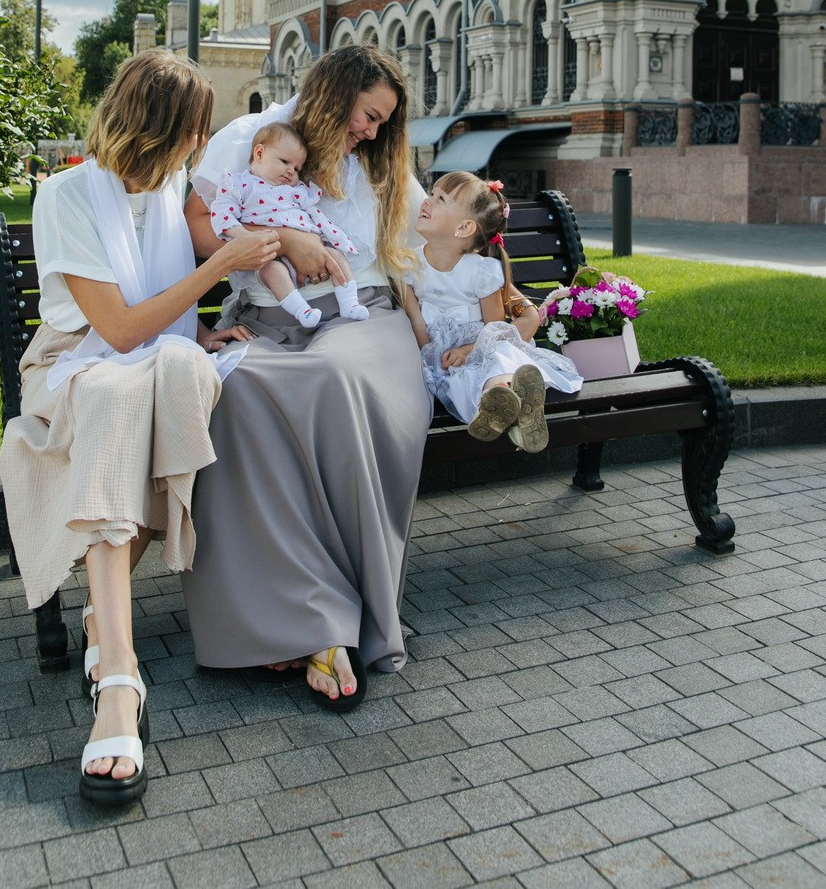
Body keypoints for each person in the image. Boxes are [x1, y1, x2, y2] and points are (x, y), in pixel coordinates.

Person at [0, 50, 279, 807]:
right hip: (74, 367)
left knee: (190, 376)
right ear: (158, 127)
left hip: (151, 360)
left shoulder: (172, 189)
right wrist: (217, 265)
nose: (199, 145)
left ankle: (105, 622)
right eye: (193, 131)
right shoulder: (65, 195)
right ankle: (118, 679)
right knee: (120, 398)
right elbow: (119, 331)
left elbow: (164, 321)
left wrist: (201, 331)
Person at [182, 45, 432, 711]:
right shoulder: (252, 139)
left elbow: (429, 246)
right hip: (266, 317)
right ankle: (289, 618)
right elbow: (200, 234)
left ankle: (332, 620)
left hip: (363, 320)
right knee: (235, 391)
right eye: (368, 114)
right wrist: (279, 241)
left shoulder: (381, 164)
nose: (374, 132)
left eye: (384, 122)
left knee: (329, 376)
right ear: (334, 92)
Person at [402, 171, 582, 451]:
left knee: (497, 358)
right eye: (431, 193)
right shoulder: (409, 264)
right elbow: (415, 317)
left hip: (479, 345)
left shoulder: (482, 272)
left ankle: (502, 394)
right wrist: (432, 356)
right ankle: (513, 413)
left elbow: (495, 329)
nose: (426, 201)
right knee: (460, 379)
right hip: (442, 353)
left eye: (440, 199)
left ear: (463, 228)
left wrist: (467, 351)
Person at [210, 119, 369, 329]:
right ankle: (302, 311)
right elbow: (222, 214)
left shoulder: (298, 190)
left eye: (297, 168)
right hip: (270, 254)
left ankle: (350, 303)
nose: (291, 171)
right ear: (259, 154)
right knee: (270, 270)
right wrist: (245, 237)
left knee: (337, 257)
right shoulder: (240, 184)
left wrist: (336, 238)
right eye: (285, 162)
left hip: (310, 248)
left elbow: (317, 215)